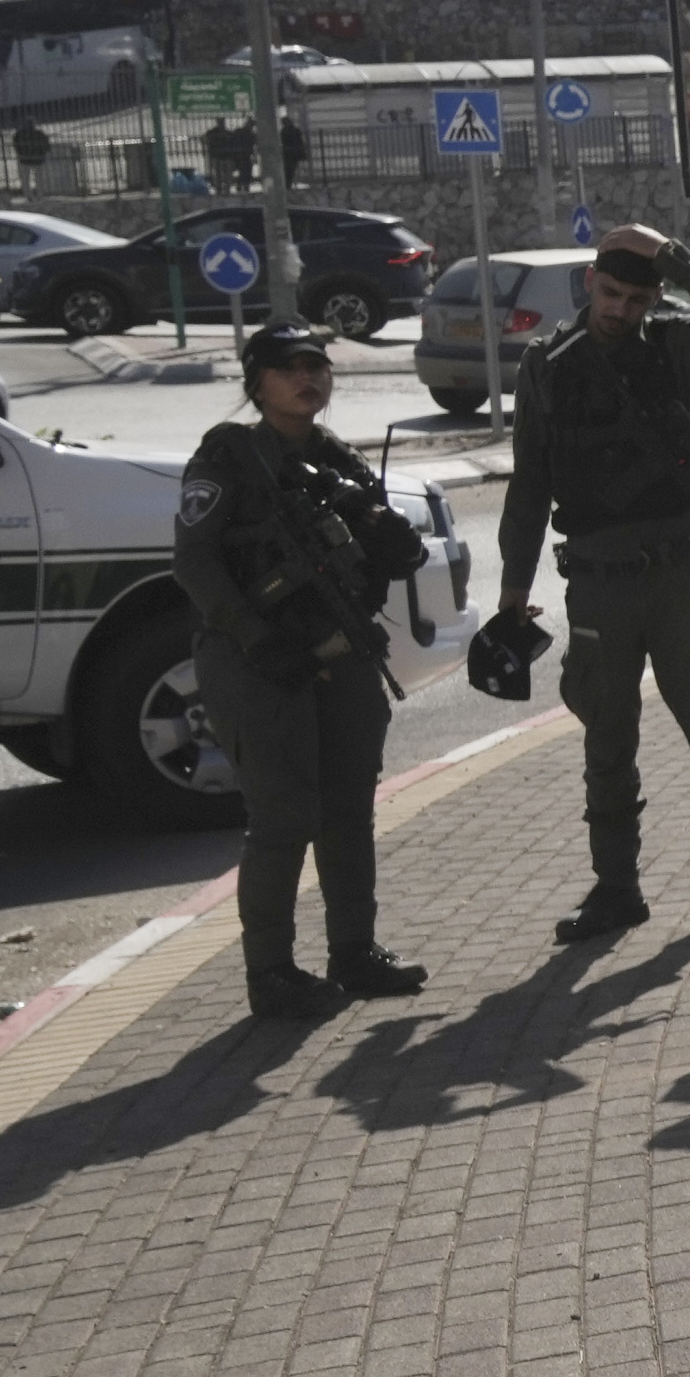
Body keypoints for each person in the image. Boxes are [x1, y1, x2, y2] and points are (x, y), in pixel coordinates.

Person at [482, 220, 690, 943]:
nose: (621, 311)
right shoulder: (549, 366)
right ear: (590, 285)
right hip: (599, 582)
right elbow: (530, 482)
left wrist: (669, 251)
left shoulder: (672, 347)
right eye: (611, 294)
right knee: (607, 743)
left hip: (680, 572)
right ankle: (617, 891)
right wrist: (514, 583)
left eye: (637, 300)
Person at [175, 321, 431, 1019]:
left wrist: (391, 542)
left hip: (341, 655)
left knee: (347, 812)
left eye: (316, 365)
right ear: (256, 383)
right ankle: (272, 975)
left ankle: (354, 953)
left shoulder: (336, 459)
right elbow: (195, 564)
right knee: (284, 818)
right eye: (288, 367)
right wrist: (259, 641)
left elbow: (383, 554)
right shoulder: (227, 458)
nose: (307, 378)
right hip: (257, 662)